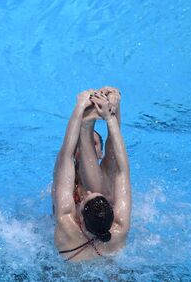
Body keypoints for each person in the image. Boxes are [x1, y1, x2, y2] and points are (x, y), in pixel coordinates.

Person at [52, 87, 131, 261]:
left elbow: (66, 154)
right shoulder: (119, 230)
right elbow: (122, 170)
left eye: (96, 144)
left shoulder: (67, 223)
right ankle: (91, 122)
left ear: (79, 216)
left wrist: (80, 106)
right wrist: (110, 117)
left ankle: (86, 126)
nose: (88, 193)